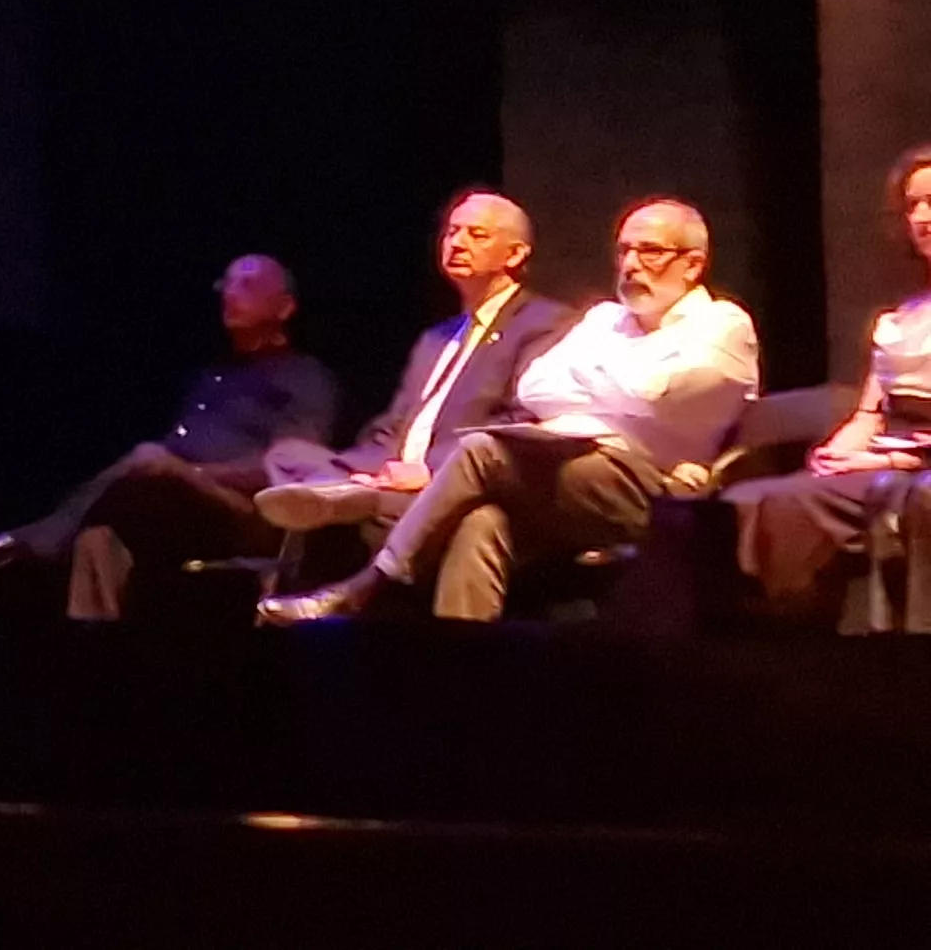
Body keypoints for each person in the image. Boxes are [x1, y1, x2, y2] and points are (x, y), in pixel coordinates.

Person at [260, 196, 757, 624]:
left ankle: (364, 587)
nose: (630, 264)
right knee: (482, 520)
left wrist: (594, 385)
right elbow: (540, 387)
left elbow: (652, 394)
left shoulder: (722, 325)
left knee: (482, 450)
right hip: (572, 468)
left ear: (692, 264)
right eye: (624, 250)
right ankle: (465, 677)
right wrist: (615, 390)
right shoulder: (606, 319)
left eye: (650, 251)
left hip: (654, 489)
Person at [0, 254, 340, 618]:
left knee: (149, 458)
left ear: (285, 307)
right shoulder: (212, 375)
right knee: (98, 536)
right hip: (170, 504)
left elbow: (289, 467)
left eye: (248, 285)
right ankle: (101, 659)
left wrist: (193, 473)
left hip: (244, 510)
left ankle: (25, 542)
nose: (231, 294)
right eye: (228, 284)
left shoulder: (304, 377)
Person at [251, 190, 573, 541]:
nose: (457, 243)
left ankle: (345, 499)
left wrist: (429, 468)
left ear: (515, 254)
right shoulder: (435, 338)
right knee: (287, 455)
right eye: (452, 232)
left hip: (451, 478)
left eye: (477, 235)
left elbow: (520, 424)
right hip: (392, 475)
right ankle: (345, 493)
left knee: (317, 507)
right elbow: (395, 427)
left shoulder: (544, 324)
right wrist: (372, 469)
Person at [724, 147, 931, 629]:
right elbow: (868, 415)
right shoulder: (901, 319)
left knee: (781, 507)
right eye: (911, 205)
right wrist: (835, 456)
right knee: (745, 500)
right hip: (883, 456)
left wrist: (885, 461)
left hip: (914, 467)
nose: (921, 217)